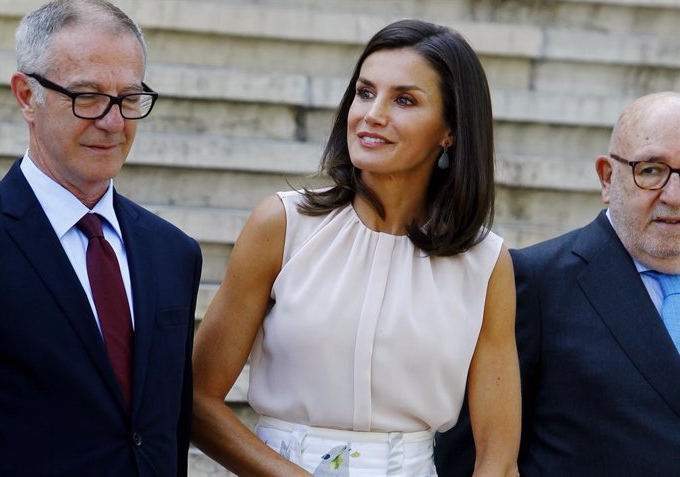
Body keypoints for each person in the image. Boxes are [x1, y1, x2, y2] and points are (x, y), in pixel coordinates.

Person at [192, 19, 520, 477]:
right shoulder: (282, 225)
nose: (373, 114)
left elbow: (499, 460)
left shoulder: (485, 263)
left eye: (404, 100)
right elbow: (196, 399)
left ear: (450, 130)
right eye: (365, 93)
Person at [0, 1, 202, 476]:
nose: (113, 122)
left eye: (129, 98)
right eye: (87, 96)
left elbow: (165, 428)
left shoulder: (174, 252)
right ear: (27, 96)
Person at [435, 91, 680, 476]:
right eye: (650, 170)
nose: (674, 196)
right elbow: (472, 455)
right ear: (607, 177)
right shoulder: (533, 282)